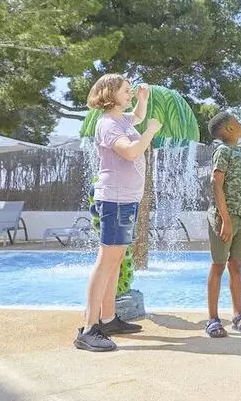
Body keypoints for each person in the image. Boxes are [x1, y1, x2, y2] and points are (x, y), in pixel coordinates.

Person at [75, 75, 161, 352]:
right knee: (106, 262)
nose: (130, 94)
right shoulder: (108, 124)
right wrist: (150, 131)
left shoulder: (121, 120)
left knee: (115, 260)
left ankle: (109, 318)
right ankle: (88, 328)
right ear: (110, 93)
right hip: (115, 200)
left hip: (125, 200)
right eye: (126, 90)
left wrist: (143, 100)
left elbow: (137, 116)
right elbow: (131, 152)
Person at [204, 111, 241, 338]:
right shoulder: (223, 151)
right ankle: (213, 319)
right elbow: (216, 183)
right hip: (224, 218)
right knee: (218, 265)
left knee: (236, 265)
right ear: (230, 129)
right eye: (237, 120)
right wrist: (225, 220)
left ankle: (238, 316)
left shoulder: (237, 152)